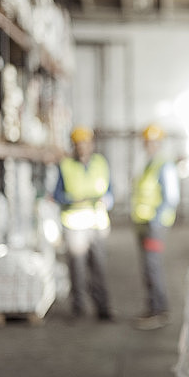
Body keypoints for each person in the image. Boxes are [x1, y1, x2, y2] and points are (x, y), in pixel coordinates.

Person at [53, 126, 114, 321]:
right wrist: (71, 199)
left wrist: (108, 200)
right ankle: (78, 308)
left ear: (91, 144)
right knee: (77, 269)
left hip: (96, 223)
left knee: (99, 267)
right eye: (78, 144)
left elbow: (111, 190)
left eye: (85, 143)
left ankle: (103, 308)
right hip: (75, 224)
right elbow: (57, 194)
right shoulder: (65, 166)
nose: (82, 148)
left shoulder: (101, 163)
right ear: (74, 146)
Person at [130, 124, 180, 330]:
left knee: (153, 267)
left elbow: (171, 197)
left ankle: (159, 311)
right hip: (143, 223)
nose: (149, 145)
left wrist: (156, 221)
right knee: (147, 268)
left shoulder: (164, 165)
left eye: (153, 142)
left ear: (159, 143)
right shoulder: (148, 164)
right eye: (147, 142)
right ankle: (152, 308)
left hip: (154, 226)